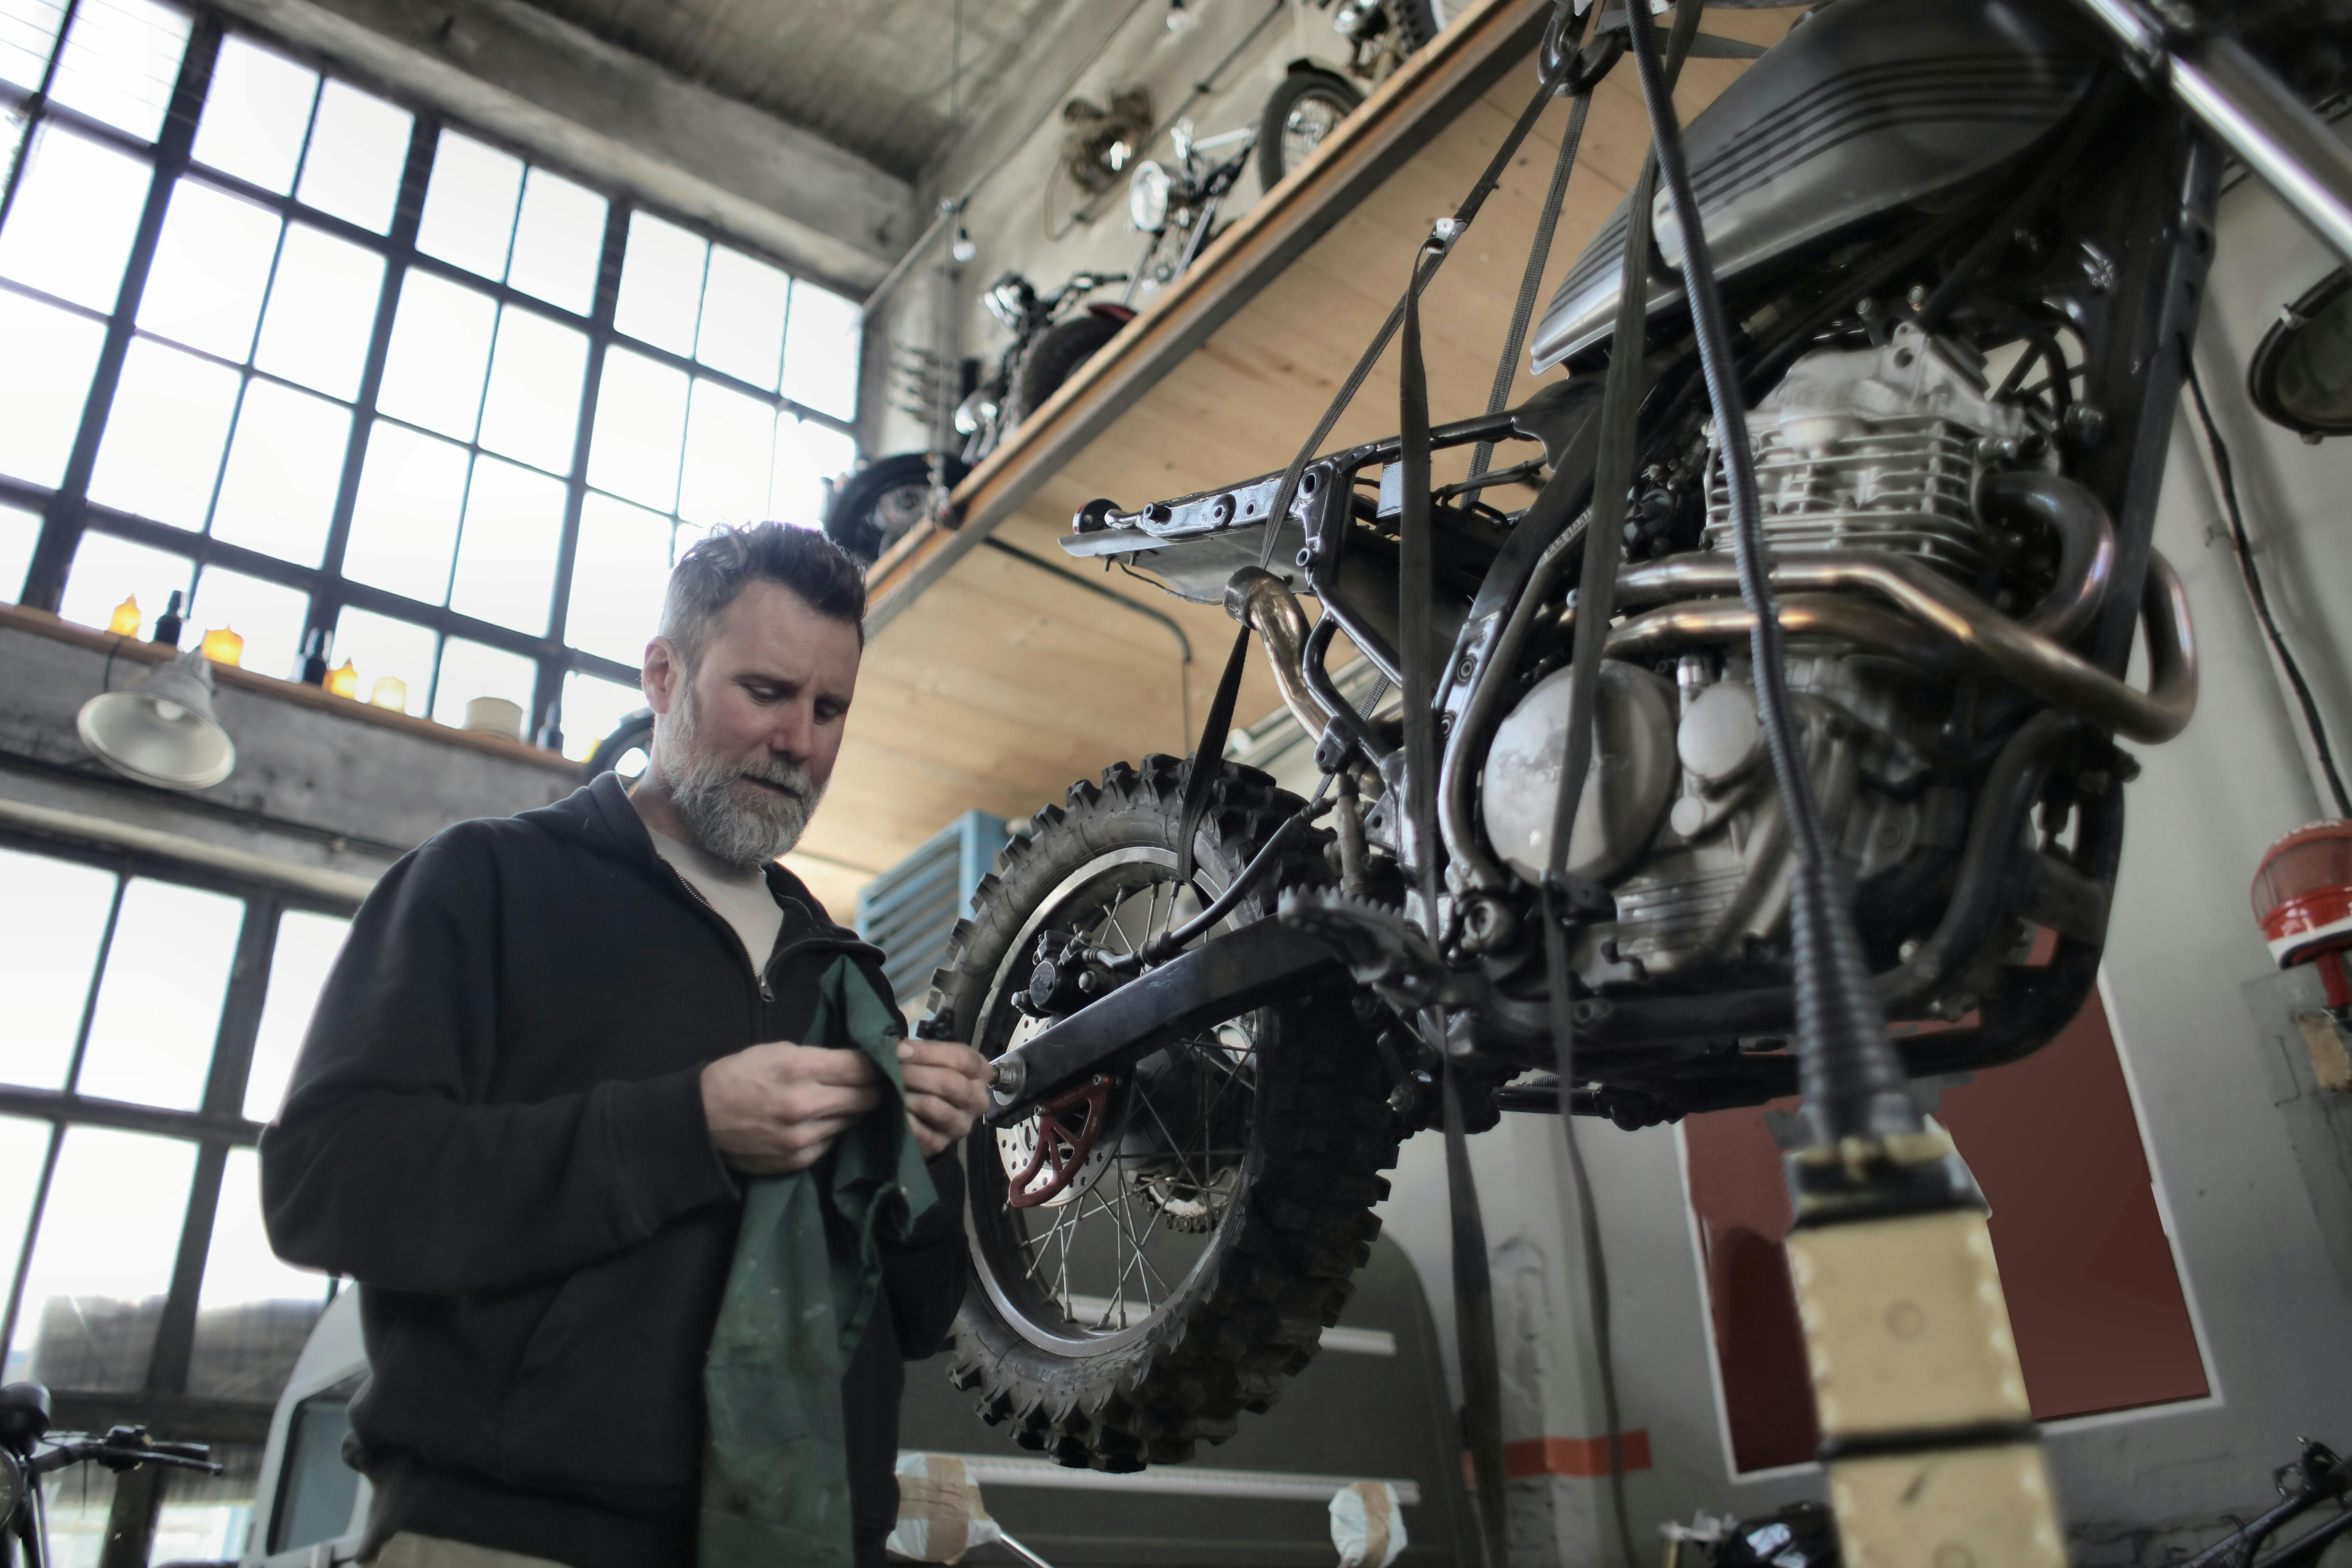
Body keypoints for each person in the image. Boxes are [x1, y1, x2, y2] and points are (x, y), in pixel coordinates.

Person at [261, 523, 992, 1568]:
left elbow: (919, 1319)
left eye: (830, 710)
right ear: (663, 673)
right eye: (767, 692)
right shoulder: (488, 884)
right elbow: (326, 1182)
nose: (800, 742)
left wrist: (918, 1160)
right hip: (509, 1533)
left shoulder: (848, 977)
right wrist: (686, 1127)